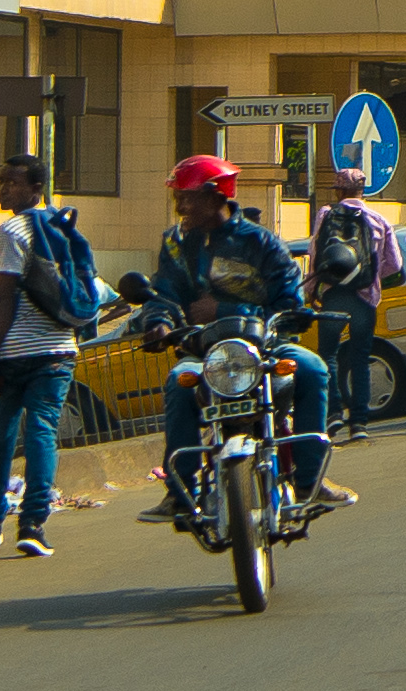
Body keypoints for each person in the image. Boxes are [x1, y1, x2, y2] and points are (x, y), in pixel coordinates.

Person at [142, 155, 341, 521]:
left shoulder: (261, 242)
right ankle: (180, 492)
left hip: (265, 345)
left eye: (188, 198)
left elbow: (289, 302)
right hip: (204, 350)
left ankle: (310, 480)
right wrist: (159, 321)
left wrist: (225, 312)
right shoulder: (175, 245)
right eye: (178, 199)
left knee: (312, 369)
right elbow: (164, 294)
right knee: (177, 383)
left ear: (217, 196)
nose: (181, 207)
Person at [0, 152, 82, 557]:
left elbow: (3, 299)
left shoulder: (11, 232)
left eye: (12, 182)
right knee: (43, 432)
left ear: (36, 189)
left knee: (1, 435)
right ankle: (34, 524)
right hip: (59, 350)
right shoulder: (64, 226)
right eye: (1, 181)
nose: (3, 188)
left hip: (14, 352)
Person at [307, 162, 406, 447]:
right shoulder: (379, 219)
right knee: (361, 358)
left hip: (333, 294)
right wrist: (372, 279)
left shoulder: (326, 214)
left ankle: (334, 411)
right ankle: (359, 424)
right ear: (363, 190)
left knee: (328, 355)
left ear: (339, 190)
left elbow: (316, 253)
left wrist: (313, 288)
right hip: (365, 297)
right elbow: (395, 265)